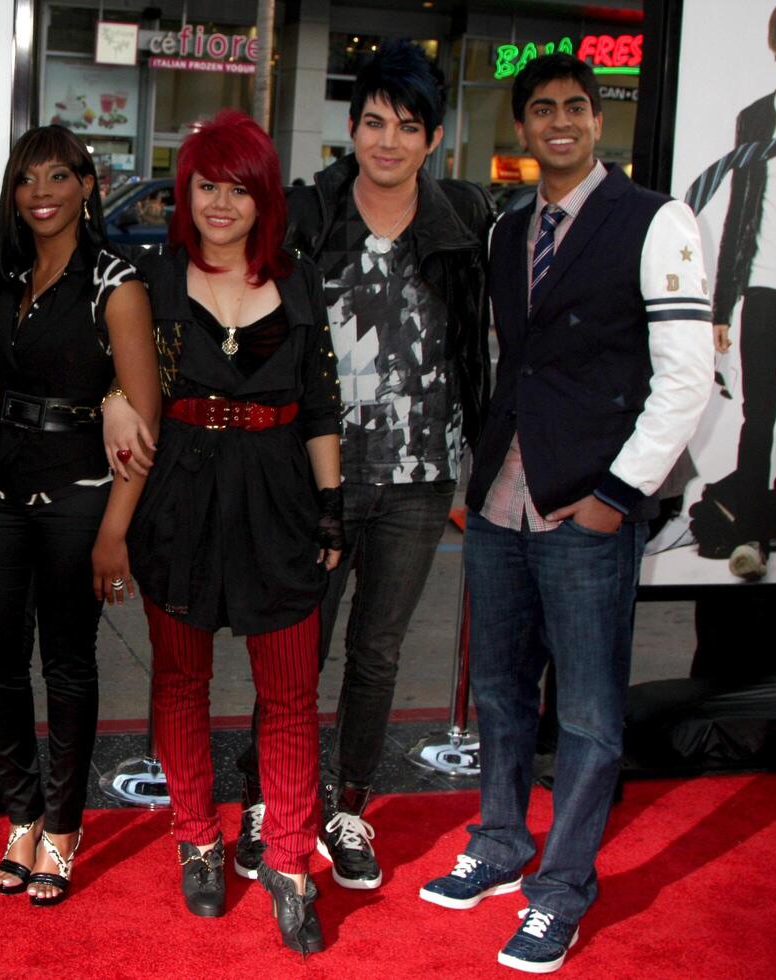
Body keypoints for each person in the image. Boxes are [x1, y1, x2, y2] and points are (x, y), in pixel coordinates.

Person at [417, 54, 713, 974]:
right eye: (541, 108)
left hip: (589, 507)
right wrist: (479, 486)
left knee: (586, 717)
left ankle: (562, 890)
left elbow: (686, 381)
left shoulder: (656, 219)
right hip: (503, 503)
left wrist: (616, 499)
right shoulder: (510, 232)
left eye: (575, 107)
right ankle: (501, 845)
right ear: (521, 127)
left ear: (598, 120)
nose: (559, 122)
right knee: (501, 692)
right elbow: (517, 368)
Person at [227, 39, 492, 892]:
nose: (387, 141)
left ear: (434, 139)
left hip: (419, 481)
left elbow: (483, 346)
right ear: (351, 127)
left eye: (406, 127)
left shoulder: (464, 223)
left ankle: (347, 807)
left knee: (377, 653)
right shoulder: (307, 216)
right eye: (373, 122)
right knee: (296, 646)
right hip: (320, 476)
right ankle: (271, 800)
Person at [110, 110, 344, 955]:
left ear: (264, 198)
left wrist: (330, 503)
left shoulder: (305, 280)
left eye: (238, 189)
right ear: (186, 192)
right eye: (206, 186)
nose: (220, 203)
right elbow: (116, 377)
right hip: (179, 497)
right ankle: (198, 840)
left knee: (288, 695)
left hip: (280, 499)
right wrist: (110, 399)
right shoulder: (151, 280)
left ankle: (287, 863)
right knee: (180, 683)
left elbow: (320, 404)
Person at [0, 125, 158, 906]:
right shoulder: (6, 271)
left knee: (68, 664)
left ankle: (64, 826)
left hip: (79, 497)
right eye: (26, 178)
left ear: (87, 184)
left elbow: (144, 417)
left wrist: (115, 531)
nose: (40, 191)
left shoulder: (116, 281)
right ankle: (20, 814)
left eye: (58, 176)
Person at [698, 0, 776, 577]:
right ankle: (753, 535)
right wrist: (722, 304)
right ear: (774, 46)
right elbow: (737, 214)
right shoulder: (754, 118)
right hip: (761, 291)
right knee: (759, 415)